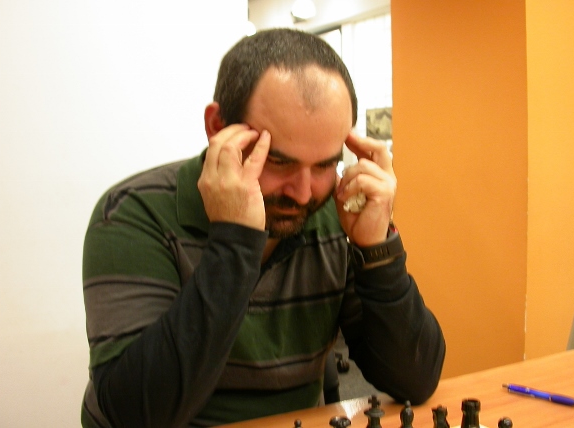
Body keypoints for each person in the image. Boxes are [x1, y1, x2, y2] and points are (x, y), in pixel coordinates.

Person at [81, 28, 445, 428]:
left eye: (325, 164)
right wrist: (235, 242)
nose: (303, 193)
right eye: (280, 161)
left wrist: (376, 249)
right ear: (217, 126)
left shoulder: (332, 213)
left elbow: (415, 379)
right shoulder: (132, 212)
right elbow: (135, 415)